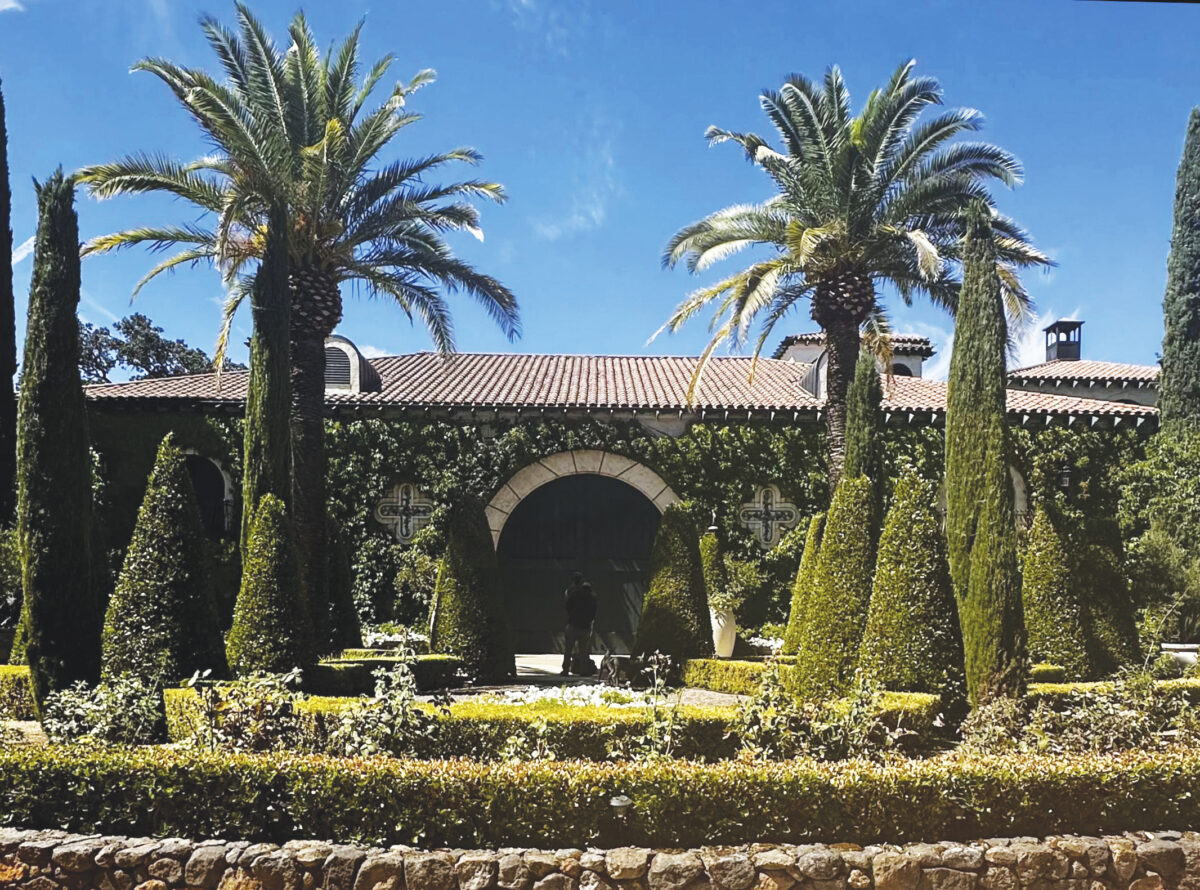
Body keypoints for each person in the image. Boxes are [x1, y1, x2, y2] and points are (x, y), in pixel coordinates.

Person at [561, 573, 597, 676]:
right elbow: (594, 614)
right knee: (583, 652)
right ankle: (583, 670)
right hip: (585, 627)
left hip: (573, 625)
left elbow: (567, 606)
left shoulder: (574, 594)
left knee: (568, 649)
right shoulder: (592, 597)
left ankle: (565, 670)